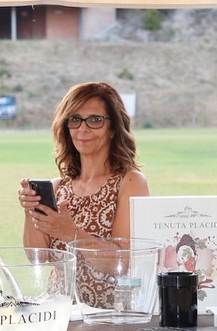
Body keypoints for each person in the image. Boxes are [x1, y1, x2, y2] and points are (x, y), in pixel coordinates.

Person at [18, 81, 148, 250]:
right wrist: (30, 209)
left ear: (113, 129)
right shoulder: (58, 187)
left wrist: (71, 233)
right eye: (75, 119)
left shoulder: (131, 182)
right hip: (59, 278)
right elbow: (38, 257)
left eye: (95, 120)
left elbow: (124, 262)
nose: (82, 128)